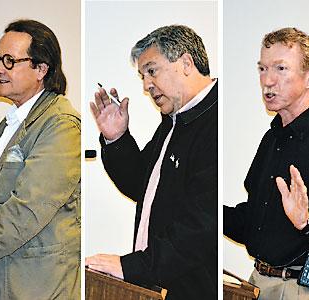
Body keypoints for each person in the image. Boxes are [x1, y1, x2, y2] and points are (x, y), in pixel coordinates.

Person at [0, 19, 81, 299]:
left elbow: (27, 211)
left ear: (41, 69)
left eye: (9, 61)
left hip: (28, 287)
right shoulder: (17, 119)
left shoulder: (59, 124)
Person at [87, 25, 217, 299]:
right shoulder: (175, 121)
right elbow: (142, 187)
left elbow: (201, 227)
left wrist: (133, 266)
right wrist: (117, 139)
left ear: (185, 63)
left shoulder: (214, 122)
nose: (146, 85)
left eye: (152, 71)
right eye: (142, 76)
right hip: (158, 286)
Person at [224, 27, 309, 299]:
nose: (267, 80)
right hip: (258, 283)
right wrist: (206, 210)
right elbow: (255, 221)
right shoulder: (272, 138)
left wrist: (308, 223)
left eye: (280, 69)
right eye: (262, 68)